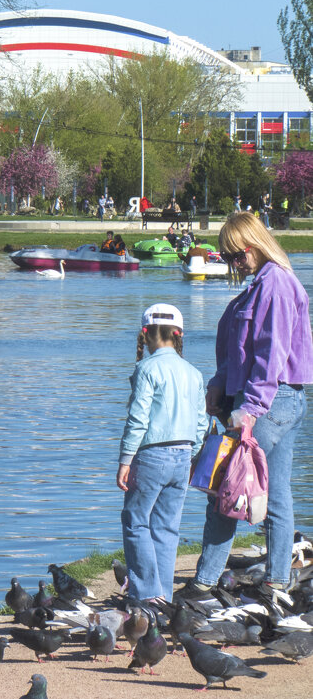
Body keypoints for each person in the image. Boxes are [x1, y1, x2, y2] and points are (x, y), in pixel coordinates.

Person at [178, 212, 313, 606]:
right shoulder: (259, 287)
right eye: (227, 256)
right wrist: (220, 386)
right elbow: (242, 354)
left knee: (228, 486)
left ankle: (203, 583)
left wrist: (250, 408)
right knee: (278, 492)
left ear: (254, 244)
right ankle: (276, 582)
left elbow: (272, 354)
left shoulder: (275, 285)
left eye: (237, 254)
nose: (233, 262)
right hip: (277, 399)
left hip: (269, 402)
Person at [118, 304, 209, 602]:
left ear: (145, 333)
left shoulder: (146, 368)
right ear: (178, 334)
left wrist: (125, 459)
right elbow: (201, 424)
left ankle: (146, 596)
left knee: (135, 521)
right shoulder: (194, 373)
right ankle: (163, 597)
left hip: (151, 456)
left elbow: (138, 419)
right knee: (167, 528)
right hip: (183, 456)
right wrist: (192, 454)